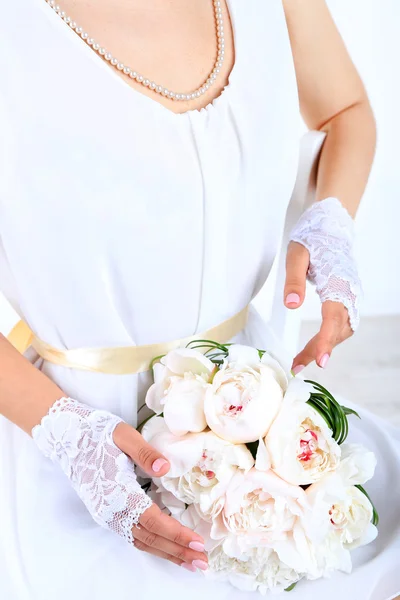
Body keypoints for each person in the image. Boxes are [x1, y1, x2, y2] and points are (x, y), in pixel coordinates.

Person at [0, 1, 399, 599]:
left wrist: (329, 222)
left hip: (267, 419)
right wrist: (67, 435)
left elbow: (346, 111)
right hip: (71, 453)